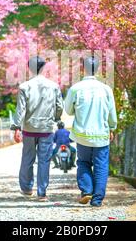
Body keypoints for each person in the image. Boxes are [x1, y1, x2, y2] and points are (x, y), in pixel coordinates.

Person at [64, 56, 117, 207]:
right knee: (101, 165)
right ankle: (97, 199)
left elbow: (68, 110)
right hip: (101, 134)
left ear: (83, 68)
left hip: (82, 135)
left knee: (83, 162)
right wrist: (112, 127)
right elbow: (112, 113)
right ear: (98, 69)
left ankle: (87, 191)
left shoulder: (75, 88)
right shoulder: (106, 89)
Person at [11, 56, 64, 201]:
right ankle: (42, 192)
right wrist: (56, 118)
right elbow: (59, 107)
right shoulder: (53, 86)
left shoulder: (24, 87)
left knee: (27, 158)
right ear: (43, 68)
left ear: (30, 68)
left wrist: (16, 128)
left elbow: (20, 110)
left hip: (29, 128)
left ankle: (27, 188)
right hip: (46, 129)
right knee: (44, 160)